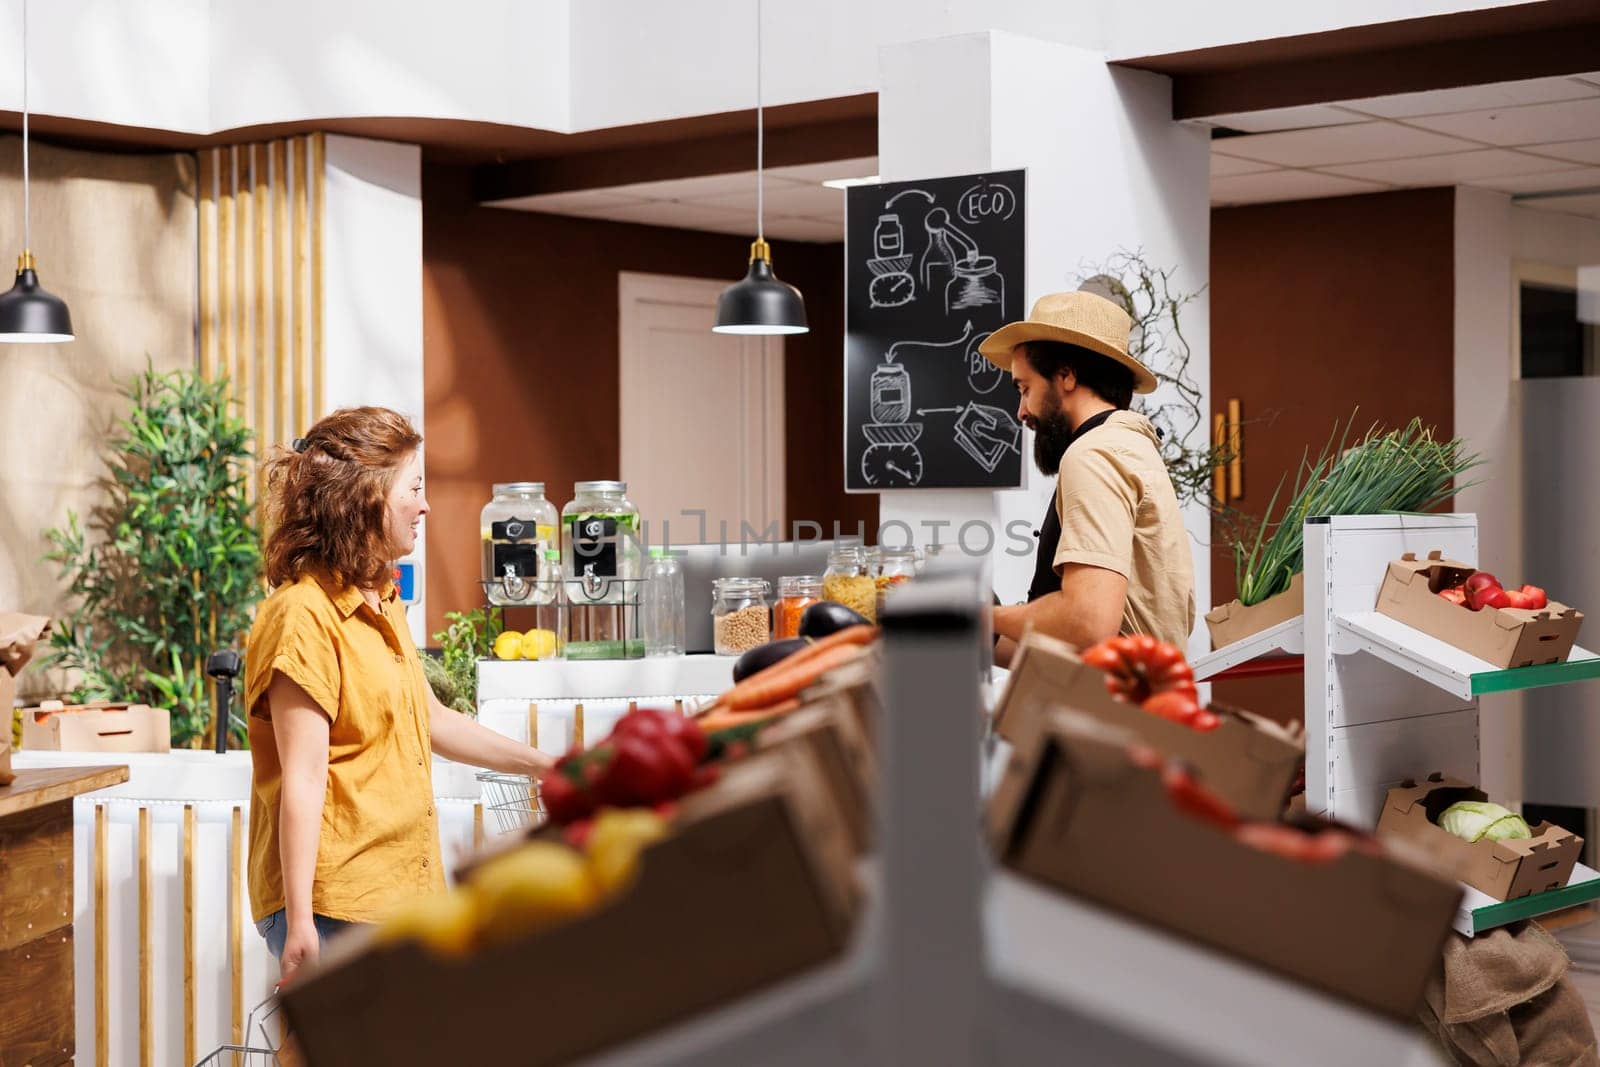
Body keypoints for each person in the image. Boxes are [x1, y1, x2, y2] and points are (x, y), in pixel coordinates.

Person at [245, 406, 552, 983]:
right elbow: (304, 778)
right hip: (339, 903)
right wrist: (303, 925)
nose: (426, 505)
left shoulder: (381, 600)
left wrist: (545, 766)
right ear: (365, 498)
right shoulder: (302, 617)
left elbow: (430, 720)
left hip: (397, 893)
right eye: (413, 488)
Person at [980, 290, 1195, 663]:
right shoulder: (1130, 445)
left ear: (1065, 375)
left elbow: (1088, 622)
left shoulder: (1092, 455)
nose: (1021, 411)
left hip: (1106, 713)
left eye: (1025, 388)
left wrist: (985, 617)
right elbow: (1078, 639)